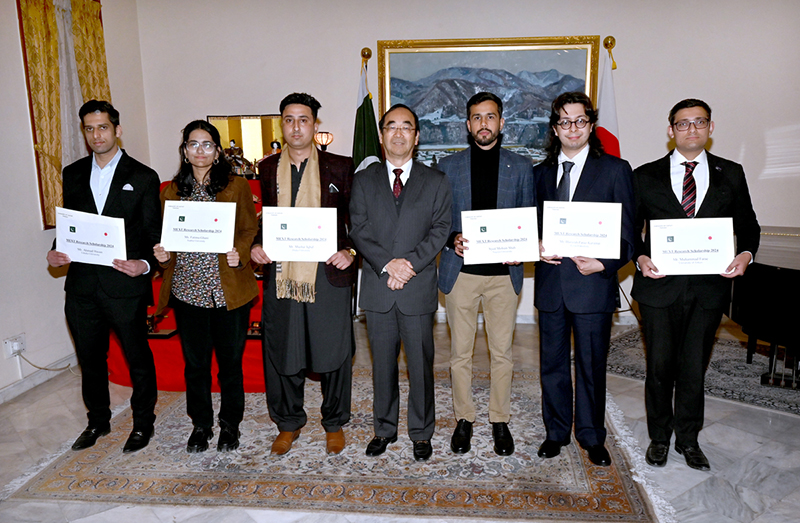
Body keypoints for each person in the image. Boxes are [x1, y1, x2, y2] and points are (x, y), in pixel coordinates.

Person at [632, 99, 760, 471]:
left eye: (699, 122)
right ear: (671, 130)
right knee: (658, 367)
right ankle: (659, 437)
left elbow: (748, 225)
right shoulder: (645, 175)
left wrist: (746, 255)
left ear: (710, 127)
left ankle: (688, 440)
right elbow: (631, 231)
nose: (692, 130)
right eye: (683, 124)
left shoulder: (731, 173)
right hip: (659, 288)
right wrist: (640, 257)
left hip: (708, 290)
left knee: (692, 368)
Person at [46, 100, 160, 453]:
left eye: (103, 127)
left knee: (137, 357)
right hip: (81, 286)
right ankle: (98, 421)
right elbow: (72, 225)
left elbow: (152, 233)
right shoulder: (73, 173)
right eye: (89, 128)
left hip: (125, 285)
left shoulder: (143, 176)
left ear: (117, 130)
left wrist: (144, 265)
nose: (96, 135)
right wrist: (55, 249)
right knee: (90, 359)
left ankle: (143, 424)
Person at [250, 93, 357, 456]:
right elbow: (262, 224)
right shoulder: (265, 169)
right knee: (282, 347)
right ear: (282, 124)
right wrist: (256, 247)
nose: (296, 127)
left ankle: (334, 422)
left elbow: (357, 222)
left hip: (328, 275)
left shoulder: (341, 167)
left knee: (335, 350)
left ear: (315, 125)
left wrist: (350, 251)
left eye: (304, 120)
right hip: (283, 274)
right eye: (289, 120)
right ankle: (288, 422)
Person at [533, 92, 635, 467]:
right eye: (564, 121)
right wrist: (536, 244)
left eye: (579, 120)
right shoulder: (539, 173)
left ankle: (592, 436)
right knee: (552, 365)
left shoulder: (615, 170)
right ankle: (556, 432)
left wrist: (605, 263)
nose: (572, 128)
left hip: (593, 287)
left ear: (590, 125)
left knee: (591, 366)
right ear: (555, 129)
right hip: (551, 287)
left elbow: (628, 236)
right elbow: (531, 227)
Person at [349, 104, 452, 461]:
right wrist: (387, 264)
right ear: (381, 136)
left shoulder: (435, 180)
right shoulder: (363, 181)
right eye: (390, 126)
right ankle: (384, 429)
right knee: (382, 366)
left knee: (421, 366)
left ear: (416, 136)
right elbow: (358, 230)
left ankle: (422, 433)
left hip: (417, 286)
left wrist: (409, 265)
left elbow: (441, 229)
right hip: (379, 288)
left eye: (406, 127)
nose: (398, 133)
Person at [437, 92, 534, 456]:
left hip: (503, 278)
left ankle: (500, 419)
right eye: (476, 118)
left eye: (490, 117)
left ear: (501, 123)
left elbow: (529, 219)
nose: (483, 124)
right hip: (461, 273)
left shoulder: (520, 167)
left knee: (502, 352)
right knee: (460, 353)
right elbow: (439, 218)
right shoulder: (447, 166)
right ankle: (464, 418)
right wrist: (451, 238)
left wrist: (522, 248)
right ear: (467, 125)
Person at [153, 120, 259, 453]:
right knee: (195, 365)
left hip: (227, 292)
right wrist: (163, 254)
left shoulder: (236, 186)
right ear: (184, 150)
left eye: (207, 144)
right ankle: (201, 424)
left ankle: (230, 425)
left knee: (230, 365)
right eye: (193, 144)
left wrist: (238, 253)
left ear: (217, 151)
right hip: (187, 292)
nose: (200, 150)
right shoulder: (170, 191)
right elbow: (166, 239)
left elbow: (247, 230)